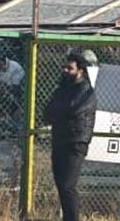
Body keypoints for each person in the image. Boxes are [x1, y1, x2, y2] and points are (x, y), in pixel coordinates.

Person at [44, 51, 98, 221]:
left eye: (70, 68)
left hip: (75, 142)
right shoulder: (62, 89)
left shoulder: (85, 91)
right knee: (61, 184)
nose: (65, 71)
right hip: (59, 139)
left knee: (68, 184)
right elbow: (47, 112)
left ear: (80, 70)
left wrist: (59, 111)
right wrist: (59, 111)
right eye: (64, 67)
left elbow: (73, 109)